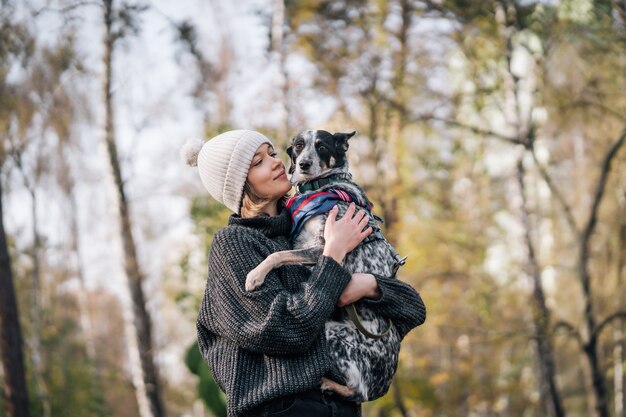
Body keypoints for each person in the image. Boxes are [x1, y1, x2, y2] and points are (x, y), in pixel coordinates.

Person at [181, 129, 426, 417]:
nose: (275, 162)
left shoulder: (310, 225)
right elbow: (283, 331)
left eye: (272, 153)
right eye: (258, 162)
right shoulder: (234, 244)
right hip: (283, 407)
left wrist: (368, 285)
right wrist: (333, 255)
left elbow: (414, 309)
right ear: (239, 185)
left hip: (341, 404)